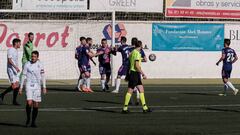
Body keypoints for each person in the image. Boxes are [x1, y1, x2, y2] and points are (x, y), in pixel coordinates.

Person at [19, 51, 47, 127]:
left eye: (34, 56)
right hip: (29, 85)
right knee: (29, 102)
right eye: (32, 56)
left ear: (37, 57)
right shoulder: (27, 64)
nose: (33, 58)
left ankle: (33, 122)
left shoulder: (40, 65)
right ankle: (28, 118)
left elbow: (43, 76)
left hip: (37, 86)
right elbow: (23, 76)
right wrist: (21, 87)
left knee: (36, 104)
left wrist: (44, 87)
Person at [122, 41, 151, 113]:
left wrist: (141, 59)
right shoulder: (137, 53)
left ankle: (145, 108)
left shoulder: (132, 52)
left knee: (141, 89)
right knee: (130, 91)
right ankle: (124, 108)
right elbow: (136, 66)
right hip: (134, 73)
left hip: (134, 73)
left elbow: (131, 60)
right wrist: (143, 74)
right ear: (140, 46)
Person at [0, 38, 21, 105]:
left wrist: (16, 68)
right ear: (16, 43)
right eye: (19, 43)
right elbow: (9, 60)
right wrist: (15, 67)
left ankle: (14, 101)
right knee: (14, 86)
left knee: (17, 85)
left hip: (15, 70)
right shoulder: (10, 50)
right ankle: (2, 94)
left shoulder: (16, 50)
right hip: (11, 70)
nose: (20, 44)